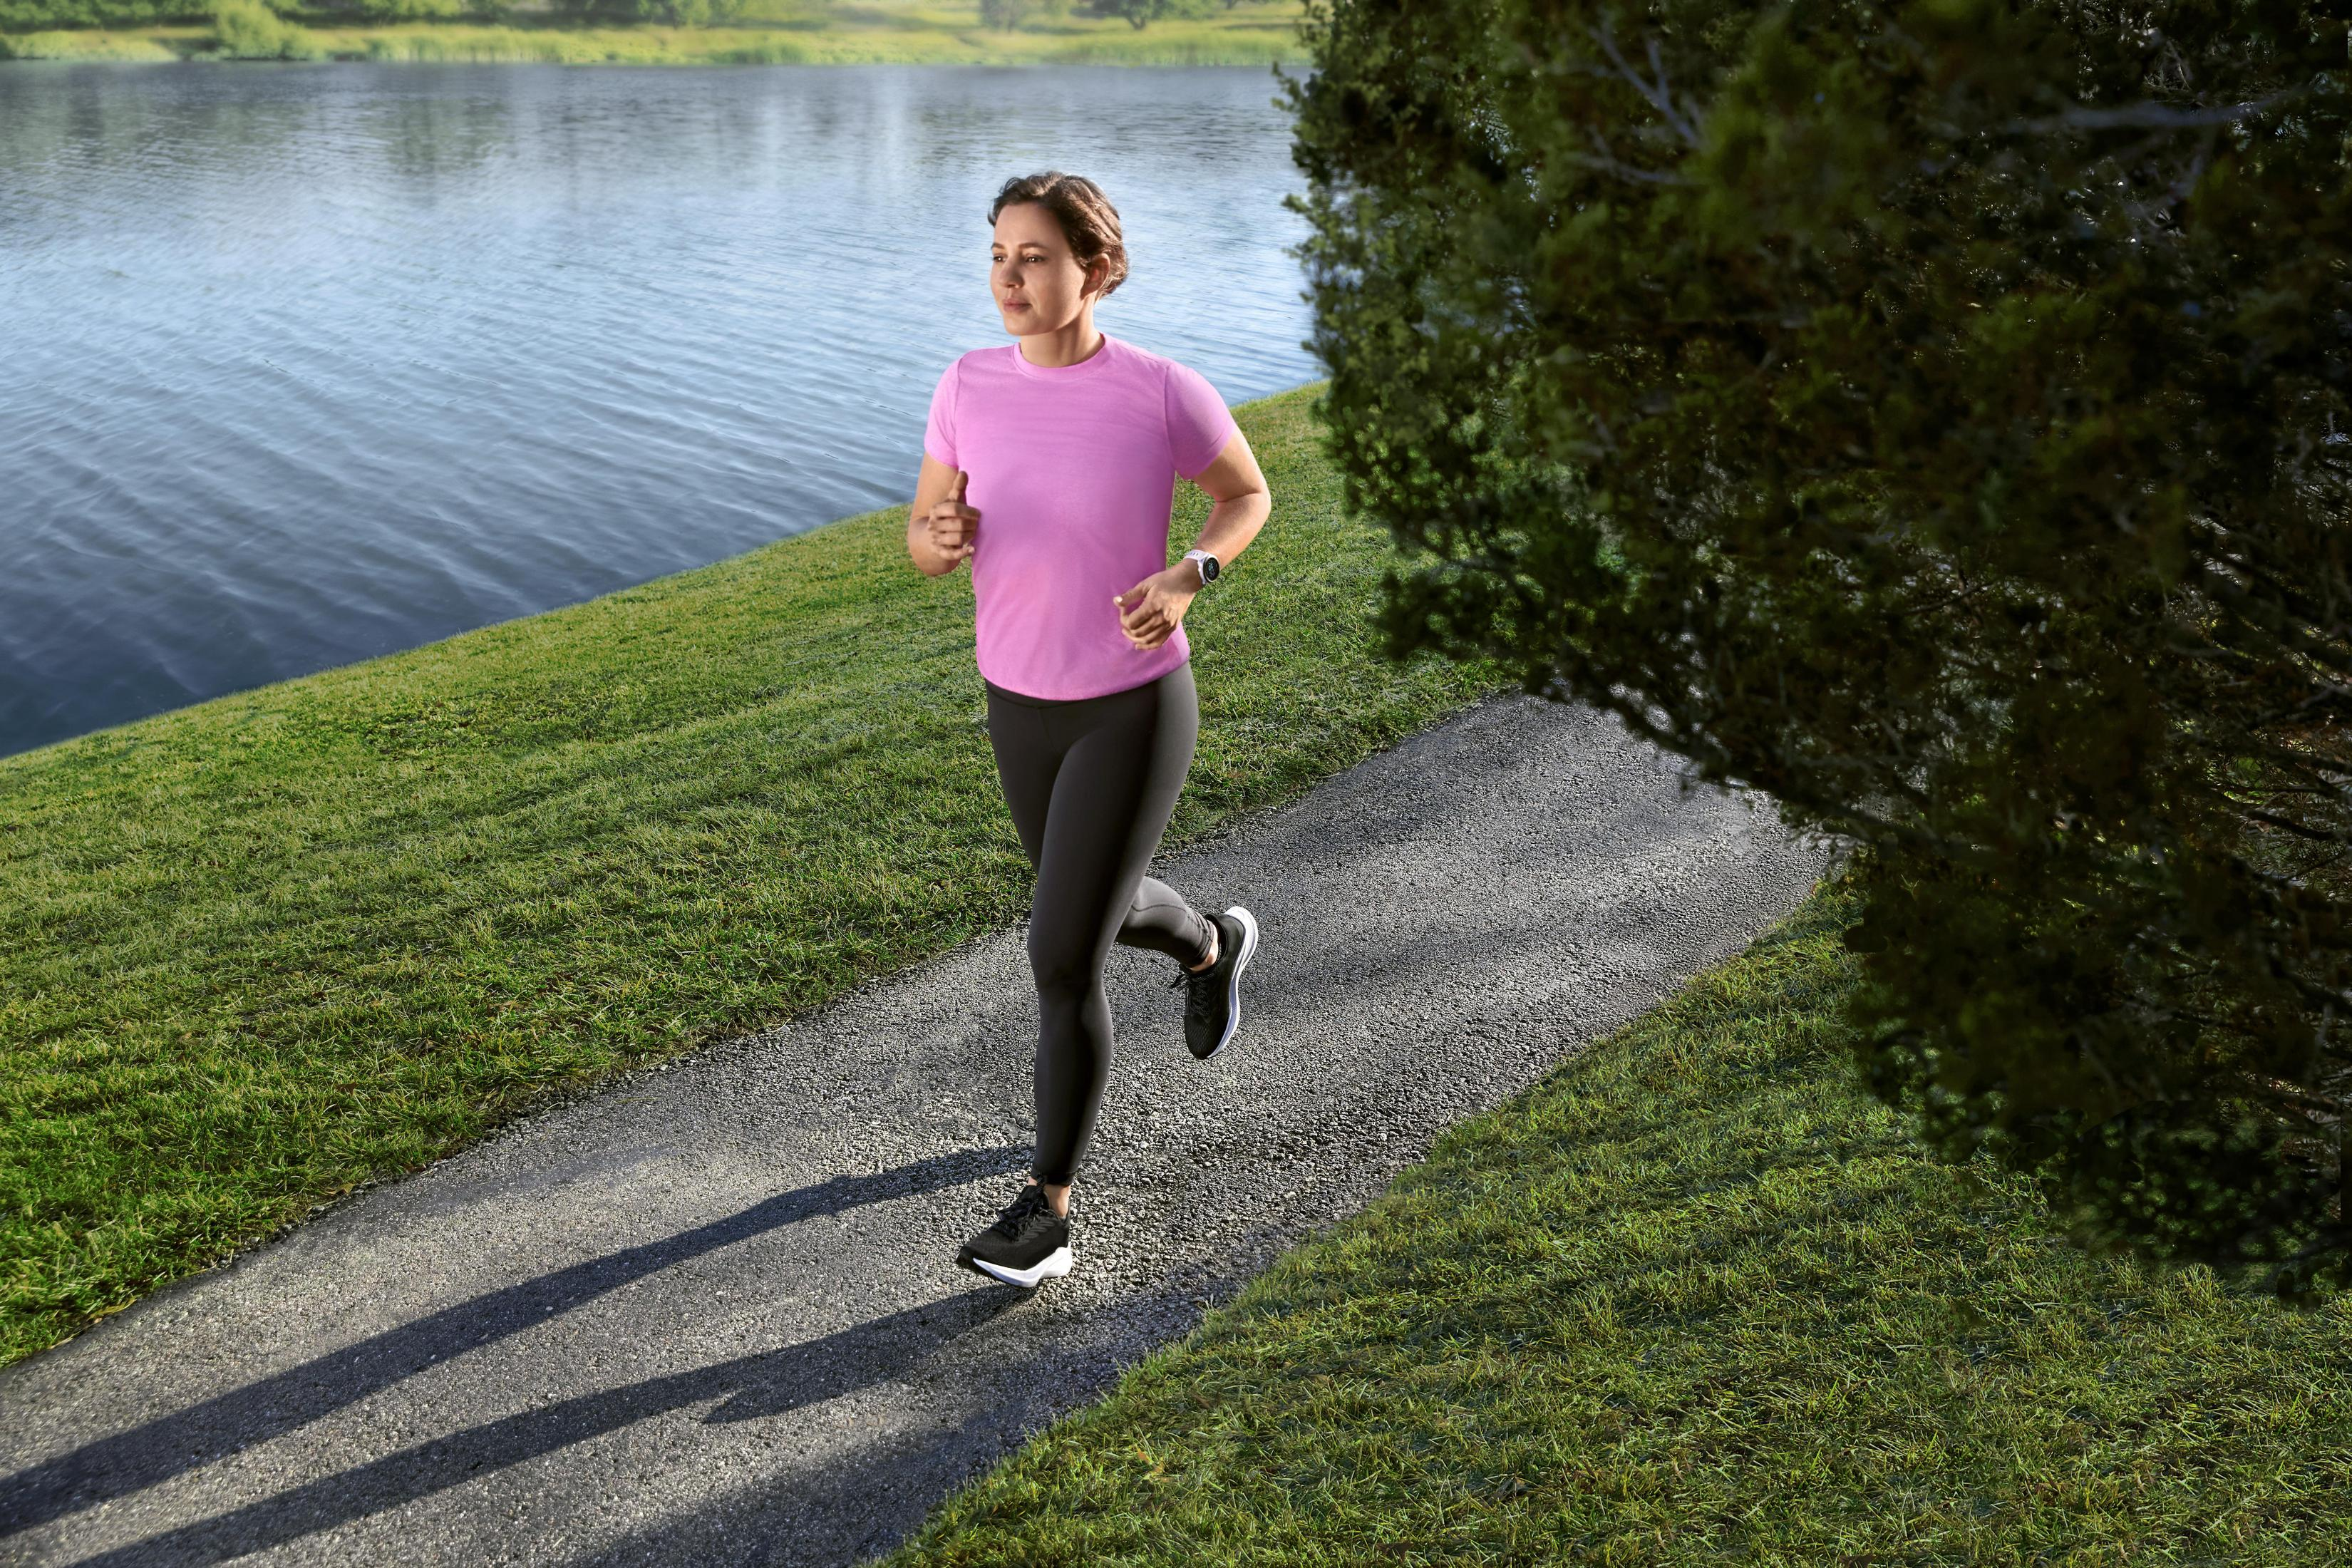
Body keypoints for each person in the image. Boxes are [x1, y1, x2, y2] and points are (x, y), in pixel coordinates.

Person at [906, 170, 1274, 1289]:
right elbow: (922, 541)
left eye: (1034, 257)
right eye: (1000, 255)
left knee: (1059, 953)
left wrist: (1191, 572)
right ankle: (1211, 944)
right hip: (1017, 704)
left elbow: (1246, 495)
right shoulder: (967, 386)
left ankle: (1048, 1218)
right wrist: (942, 534)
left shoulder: (1161, 390)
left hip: (1131, 704)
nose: (1010, 278)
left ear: (1093, 269)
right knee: (1100, 915)